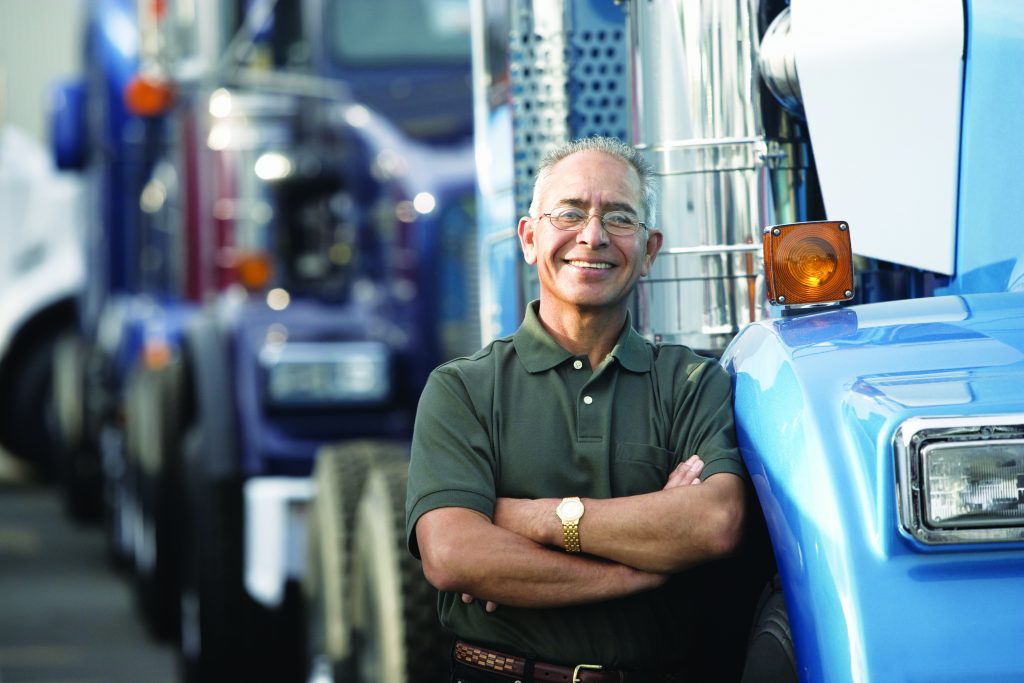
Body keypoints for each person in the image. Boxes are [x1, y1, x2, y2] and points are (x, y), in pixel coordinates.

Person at [406, 136, 748, 682]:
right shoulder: (462, 389)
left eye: (619, 218)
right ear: (528, 236)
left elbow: (715, 521)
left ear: (650, 248)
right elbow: (453, 555)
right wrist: (642, 569)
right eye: (570, 213)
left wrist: (530, 517)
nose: (593, 236)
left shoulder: (691, 382)